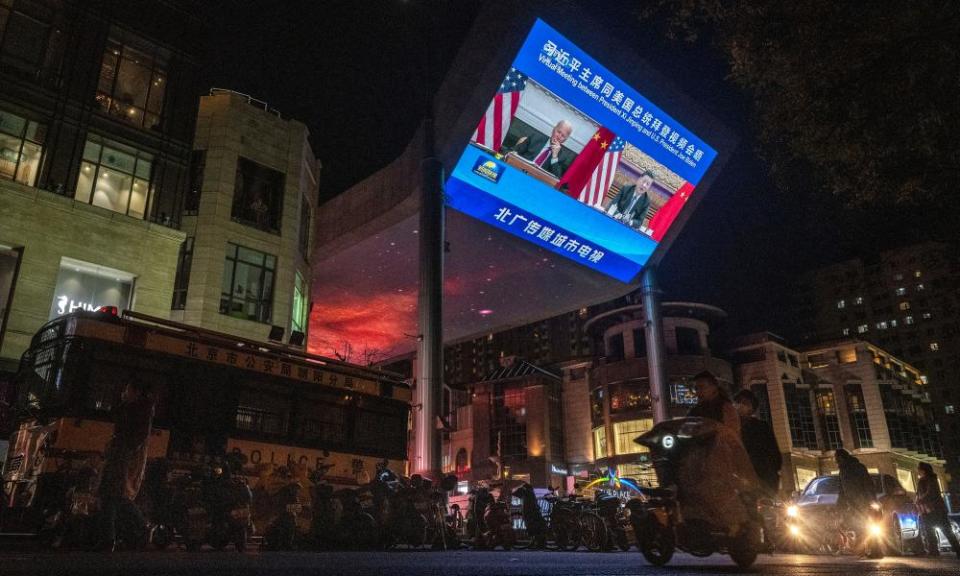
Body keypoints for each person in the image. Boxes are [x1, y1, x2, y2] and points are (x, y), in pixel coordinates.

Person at [679, 371, 758, 536]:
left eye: (701, 387)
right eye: (696, 388)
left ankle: (733, 525)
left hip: (721, 457)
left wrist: (712, 435)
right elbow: (684, 430)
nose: (698, 391)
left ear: (714, 387)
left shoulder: (726, 408)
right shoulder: (696, 410)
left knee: (715, 485)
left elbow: (731, 433)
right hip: (699, 456)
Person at [97, 379, 156, 551]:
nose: (125, 392)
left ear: (136, 393)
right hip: (118, 456)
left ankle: (113, 538)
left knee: (115, 496)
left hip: (124, 459)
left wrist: (123, 451)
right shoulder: (128, 408)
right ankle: (111, 538)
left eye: (127, 390)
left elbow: (138, 438)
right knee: (113, 496)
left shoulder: (142, 410)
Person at [733, 389, 783, 496]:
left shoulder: (761, 427)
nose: (740, 406)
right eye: (738, 402)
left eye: (745, 403)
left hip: (759, 478)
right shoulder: (730, 427)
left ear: (752, 408)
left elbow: (774, 454)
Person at [834, 448, 876, 555]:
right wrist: (840, 504)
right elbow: (842, 489)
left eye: (836, 458)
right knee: (857, 525)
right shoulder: (843, 470)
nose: (835, 461)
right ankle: (862, 548)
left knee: (863, 524)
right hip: (851, 503)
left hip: (861, 501)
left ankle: (869, 547)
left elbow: (867, 483)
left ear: (841, 457)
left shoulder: (857, 467)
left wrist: (872, 499)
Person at [916, 462, 960, 558]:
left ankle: (954, 550)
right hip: (929, 510)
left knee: (943, 529)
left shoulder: (929, 479)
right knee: (933, 530)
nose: (917, 471)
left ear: (923, 470)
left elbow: (930, 493)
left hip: (934, 509)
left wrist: (919, 500)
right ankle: (934, 551)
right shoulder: (927, 480)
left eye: (918, 469)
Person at [505, 120, 574, 178]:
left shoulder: (562, 156)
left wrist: (555, 156)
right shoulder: (535, 138)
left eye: (563, 136)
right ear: (553, 130)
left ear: (565, 140)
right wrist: (513, 154)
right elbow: (512, 151)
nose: (559, 136)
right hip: (518, 172)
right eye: (558, 132)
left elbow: (556, 178)